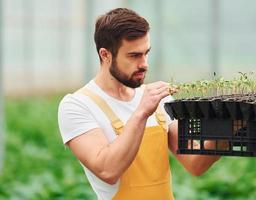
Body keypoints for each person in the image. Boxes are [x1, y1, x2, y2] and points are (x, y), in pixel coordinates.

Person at [58, 8, 221, 200]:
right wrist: (142, 111)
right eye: (134, 55)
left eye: (146, 53)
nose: (144, 64)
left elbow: (195, 162)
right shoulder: (78, 105)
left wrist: (228, 130)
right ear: (105, 55)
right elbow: (107, 170)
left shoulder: (159, 100)